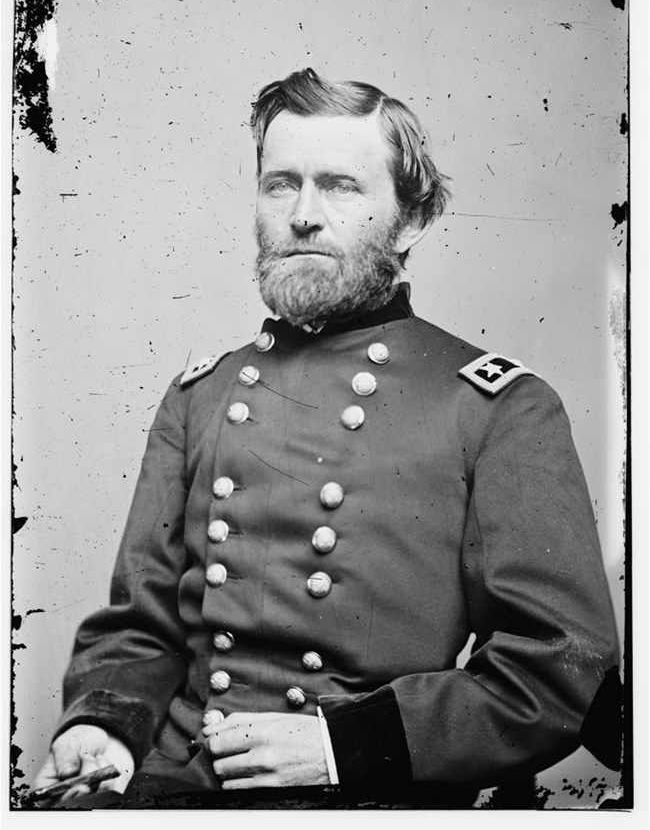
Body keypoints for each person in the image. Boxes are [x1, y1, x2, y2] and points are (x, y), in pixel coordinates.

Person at [32, 68, 620, 809]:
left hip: (369, 800)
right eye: (281, 184)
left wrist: (343, 746)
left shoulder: (499, 407)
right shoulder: (200, 395)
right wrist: (106, 728)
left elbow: (560, 669)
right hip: (170, 794)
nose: (304, 215)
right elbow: (141, 627)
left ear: (411, 220)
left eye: (341, 185)